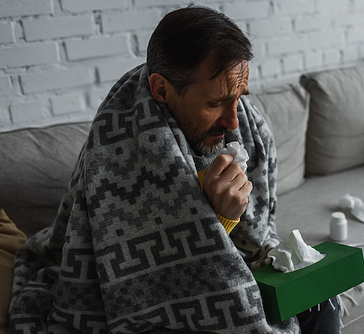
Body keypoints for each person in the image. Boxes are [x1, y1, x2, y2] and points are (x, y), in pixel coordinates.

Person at [9, 6, 339, 334]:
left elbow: (261, 233)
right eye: (215, 104)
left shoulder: (247, 124)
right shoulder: (122, 154)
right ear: (161, 90)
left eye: (239, 97)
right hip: (161, 292)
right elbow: (152, 283)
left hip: (225, 265)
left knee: (323, 297)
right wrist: (220, 218)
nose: (234, 121)